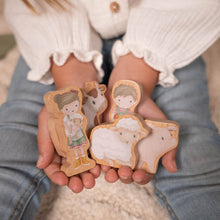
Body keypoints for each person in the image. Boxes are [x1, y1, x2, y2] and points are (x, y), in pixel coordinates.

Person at [1, 0, 220, 219]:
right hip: (52, 42)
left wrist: (138, 72)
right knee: (14, 140)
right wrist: (70, 74)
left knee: (192, 150)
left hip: (169, 37)